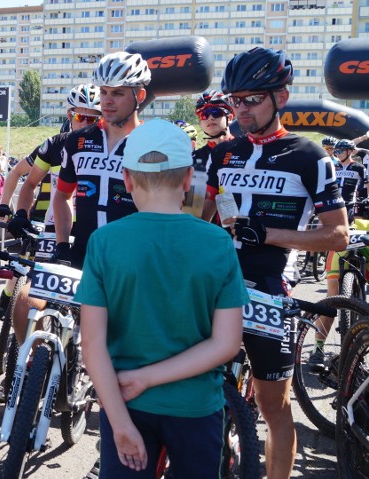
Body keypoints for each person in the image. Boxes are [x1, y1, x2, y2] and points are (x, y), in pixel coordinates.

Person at [201, 47, 348, 479]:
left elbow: (337, 236)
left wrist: (265, 234)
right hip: (214, 284)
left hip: (269, 289)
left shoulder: (310, 156)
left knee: (273, 406)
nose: (241, 110)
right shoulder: (220, 154)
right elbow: (196, 219)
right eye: (235, 100)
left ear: (280, 97)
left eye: (252, 100)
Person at [78, 119, 246, 478]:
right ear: (188, 179)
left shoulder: (105, 241)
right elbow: (227, 343)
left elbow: (91, 346)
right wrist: (150, 377)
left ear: (127, 179)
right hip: (197, 407)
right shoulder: (217, 243)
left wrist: (120, 424)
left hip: (124, 403)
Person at [0, 84, 100, 348]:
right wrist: (19, 211)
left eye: (93, 118)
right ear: (70, 116)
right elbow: (28, 182)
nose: (86, 123)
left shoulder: (109, 145)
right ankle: (30, 359)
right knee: (30, 290)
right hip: (54, 230)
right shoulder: (56, 145)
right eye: (81, 117)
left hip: (90, 232)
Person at [53, 52, 152, 269]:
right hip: (83, 258)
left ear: (140, 95)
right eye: (104, 91)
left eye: (118, 93)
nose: (107, 100)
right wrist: (61, 244)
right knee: (27, 300)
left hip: (133, 264)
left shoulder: (153, 144)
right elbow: (62, 195)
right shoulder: (77, 140)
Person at [310, 137, 369, 372]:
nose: (338, 153)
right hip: (341, 227)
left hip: (363, 224)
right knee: (332, 293)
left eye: (342, 150)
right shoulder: (332, 167)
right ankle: (317, 348)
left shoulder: (360, 167)